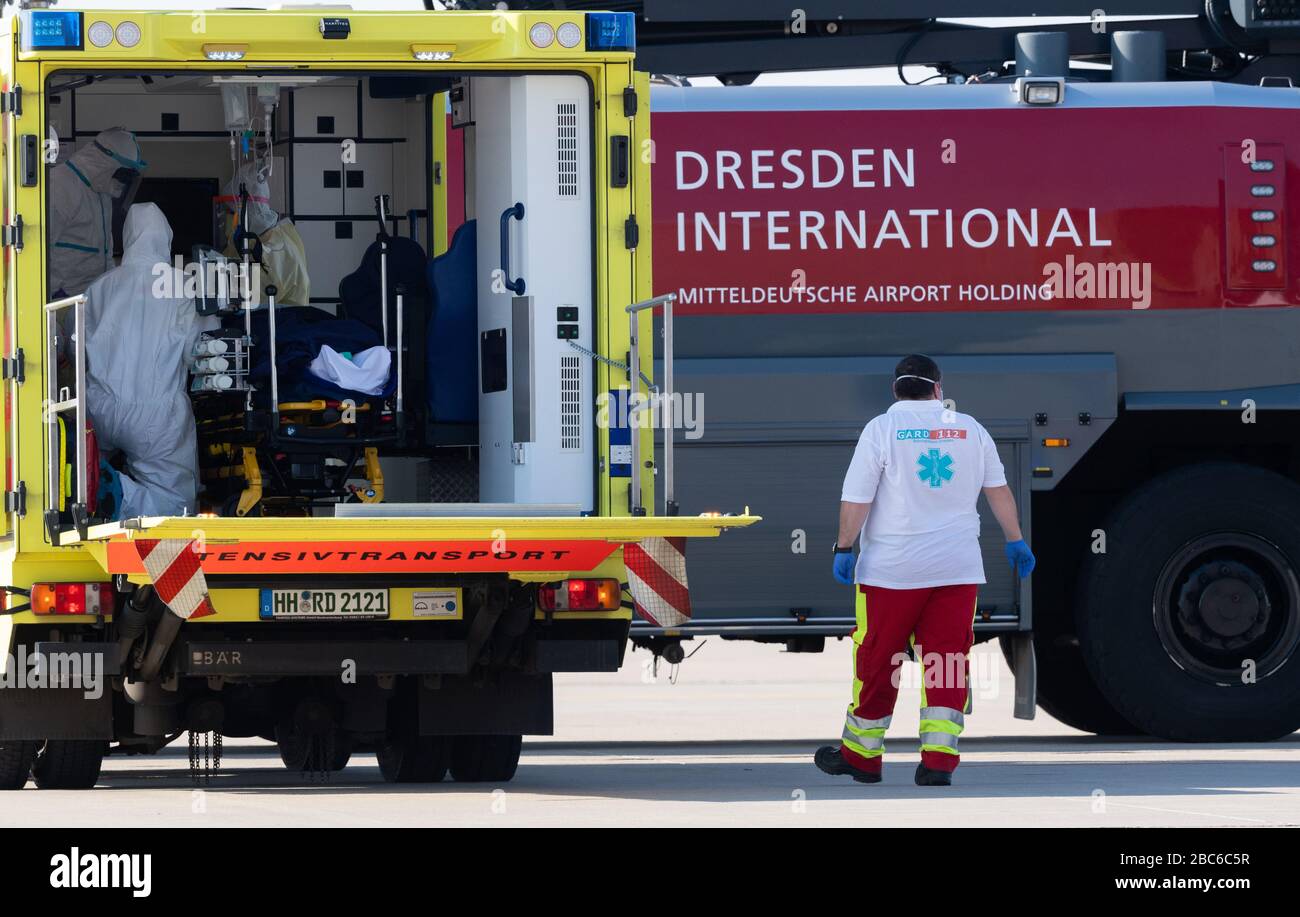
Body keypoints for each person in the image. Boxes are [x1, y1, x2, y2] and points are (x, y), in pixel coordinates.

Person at [816, 354, 1035, 787]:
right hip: (957, 569)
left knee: (879, 658)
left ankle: (862, 756)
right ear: (938, 388)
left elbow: (857, 499)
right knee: (948, 660)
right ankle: (938, 761)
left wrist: (843, 546)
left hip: (892, 572)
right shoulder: (970, 429)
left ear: (896, 389)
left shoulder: (882, 429)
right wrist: (1015, 539)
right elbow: (999, 492)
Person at [84, 203, 213, 518]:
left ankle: (101, 489)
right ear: (165, 238)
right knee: (173, 504)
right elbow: (199, 355)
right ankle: (120, 493)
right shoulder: (182, 286)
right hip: (156, 415)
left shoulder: (97, 288)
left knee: (84, 478)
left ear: (127, 238)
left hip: (99, 406)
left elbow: (78, 350)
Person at [49, 127, 147, 297]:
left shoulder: (102, 190)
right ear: (104, 162)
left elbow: (105, 251)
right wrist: (54, 293)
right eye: (123, 174)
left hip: (93, 297)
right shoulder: (59, 186)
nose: (123, 183)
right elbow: (38, 251)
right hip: (63, 301)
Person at [220, 162, 309, 305]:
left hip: (281, 321)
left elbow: (253, 297)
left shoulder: (274, 248)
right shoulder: (267, 237)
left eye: (233, 214)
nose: (230, 220)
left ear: (248, 211)